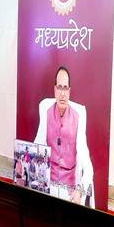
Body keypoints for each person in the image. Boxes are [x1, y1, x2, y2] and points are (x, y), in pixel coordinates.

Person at [33, 66, 94, 207]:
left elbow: (88, 166)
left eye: (65, 88)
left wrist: (80, 190)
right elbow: (37, 146)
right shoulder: (45, 110)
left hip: (70, 189)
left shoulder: (79, 116)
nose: (62, 94)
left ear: (69, 91)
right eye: (59, 87)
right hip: (48, 184)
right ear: (55, 90)